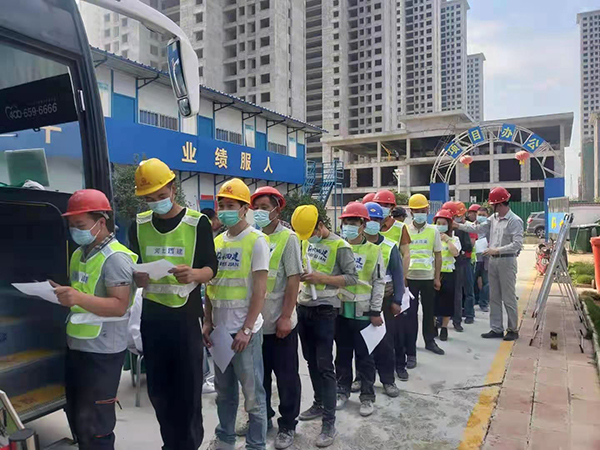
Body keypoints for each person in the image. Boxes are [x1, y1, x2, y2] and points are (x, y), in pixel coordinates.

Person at [129, 158, 217, 450]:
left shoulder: (197, 223)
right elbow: (133, 268)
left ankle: (188, 445)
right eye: (149, 198)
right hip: (153, 320)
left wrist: (194, 274)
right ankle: (171, 445)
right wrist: (137, 278)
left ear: (172, 188)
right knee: (159, 391)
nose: (156, 202)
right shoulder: (138, 225)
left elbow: (211, 268)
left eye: (160, 195)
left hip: (185, 319)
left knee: (187, 392)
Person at [56, 189, 137, 450]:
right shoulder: (79, 254)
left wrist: (77, 298)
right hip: (77, 345)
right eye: (72, 225)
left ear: (101, 222)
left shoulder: (115, 258)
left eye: (80, 225)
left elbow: (119, 305)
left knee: (97, 427)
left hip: (102, 352)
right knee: (79, 419)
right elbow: (81, 293)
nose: (75, 231)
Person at [204, 178, 269, 450]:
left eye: (231, 205)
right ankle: (225, 439)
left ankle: (256, 444)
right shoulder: (217, 242)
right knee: (224, 393)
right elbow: (210, 286)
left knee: (253, 396)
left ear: (244, 209)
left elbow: (260, 291)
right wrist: (207, 322)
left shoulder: (257, 241)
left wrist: (246, 329)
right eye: (221, 205)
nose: (225, 210)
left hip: (245, 334)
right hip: (220, 332)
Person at [292, 204, 358, 448]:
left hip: (326, 311)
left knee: (324, 365)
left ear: (321, 225)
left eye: (310, 232)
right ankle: (319, 403)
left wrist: (322, 278)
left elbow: (352, 278)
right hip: (304, 307)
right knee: (310, 361)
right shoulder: (305, 241)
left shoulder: (341, 246)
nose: (308, 238)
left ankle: (329, 423)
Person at [250, 186, 302, 450]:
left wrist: (285, 316)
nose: (259, 212)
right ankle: (263, 419)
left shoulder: (288, 238)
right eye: (255, 208)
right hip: (256, 325)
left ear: (276, 210)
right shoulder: (252, 237)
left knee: (286, 377)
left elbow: (293, 280)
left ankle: (288, 424)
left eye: (264, 208)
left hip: (280, 322)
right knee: (259, 378)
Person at [335, 202, 384, 417]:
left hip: (363, 312)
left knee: (365, 358)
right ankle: (342, 391)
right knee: (342, 355)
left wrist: (375, 311)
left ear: (363, 225)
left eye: (353, 222)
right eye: (346, 222)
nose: (349, 226)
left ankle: (367, 396)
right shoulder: (338, 247)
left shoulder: (374, 250)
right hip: (340, 311)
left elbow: (379, 282)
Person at [456, 187, 523, 341]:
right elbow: (477, 228)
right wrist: (458, 226)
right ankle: (496, 328)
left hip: (507, 260)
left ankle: (513, 329)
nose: (492, 207)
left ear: (500, 204)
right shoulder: (493, 218)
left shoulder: (514, 221)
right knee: (494, 296)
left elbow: (517, 244)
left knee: (508, 297)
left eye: (493, 205)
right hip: (493, 261)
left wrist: (496, 250)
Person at [364, 202, 408, 385]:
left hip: (385, 299)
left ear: (381, 222)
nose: (372, 223)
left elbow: (398, 276)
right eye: (369, 220)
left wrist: (397, 300)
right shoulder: (354, 245)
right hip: (361, 300)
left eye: (376, 220)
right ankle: (362, 378)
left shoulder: (389, 246)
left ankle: (388, 380)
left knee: (386, 342)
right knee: (362, 344)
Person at [405, 194, 444, 363]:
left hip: (428, 277)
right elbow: (402, 254)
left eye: (422, 210)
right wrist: (403, 277)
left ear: (427, 211)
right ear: (411, 212)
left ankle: (430, 341)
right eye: (416, 211)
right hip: (410, 278)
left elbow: (438, 255)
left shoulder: (433, 231)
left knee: (429, 312)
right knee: (410, 315)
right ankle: (410, 349)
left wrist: (437, 277)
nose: (420, 214)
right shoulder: (405, 230)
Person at [432, 209, 461, 341]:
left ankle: (444, 328)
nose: (441, 226)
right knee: (433, 301)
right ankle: (433, 325)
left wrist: (447, 240)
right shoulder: (432, 237)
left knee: (447, 301)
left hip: (448, 273)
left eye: (444, 223)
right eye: (438, 223)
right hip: (433, 273)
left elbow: (455, 253)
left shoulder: (455, 239)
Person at [373, 190, 411, 281]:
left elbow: (406, 254)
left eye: (386, 205)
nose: (382, 208)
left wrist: (402, 277)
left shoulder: (400, 227)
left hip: (390, 277)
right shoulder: (368, 225)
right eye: (379, 204)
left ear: (392, 208)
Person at [449, 201, 475, 329]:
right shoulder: (443, 229)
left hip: (463, 261)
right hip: (451, 264)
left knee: (465, 289)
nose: (461, 218)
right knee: (455, 292)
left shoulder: (463, 228)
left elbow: (469, 246)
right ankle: (452, 317)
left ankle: (467, 315)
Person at [474, 206, 490, 312]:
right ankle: (474, 300)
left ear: (487, 216)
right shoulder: (471, 226)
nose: (481, 217)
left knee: (486, 282)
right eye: (479, 215)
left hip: (486, 258)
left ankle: (484, 303)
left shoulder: (490, 227)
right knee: (472, 281)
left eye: (483, 215)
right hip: (474, 258)